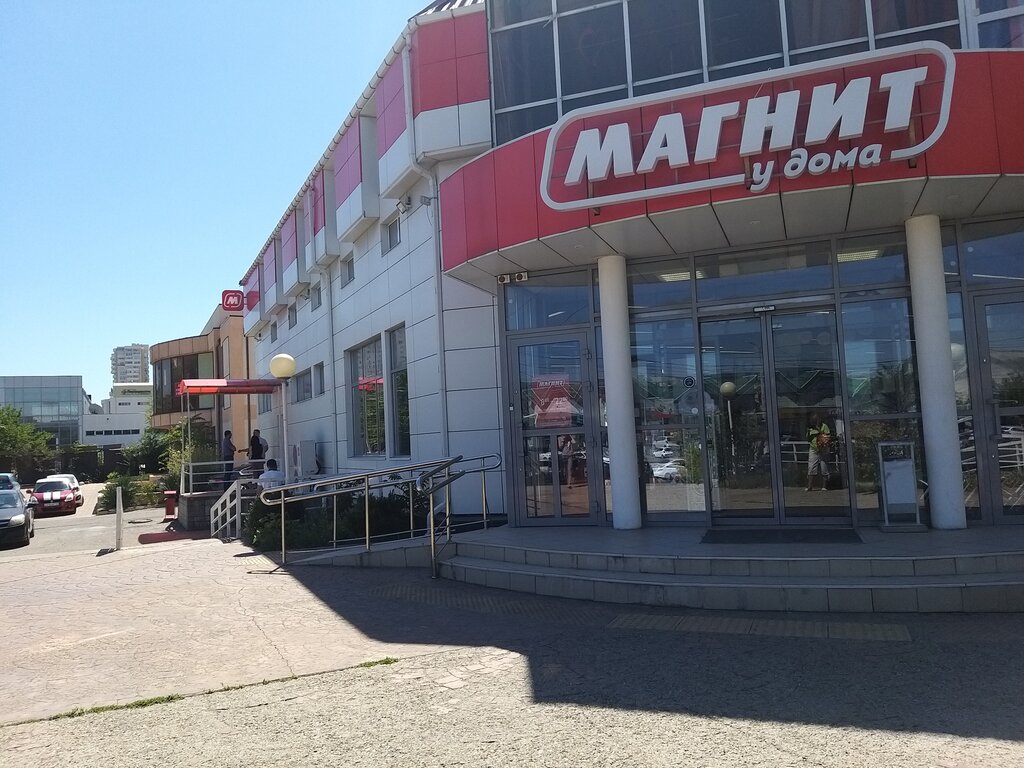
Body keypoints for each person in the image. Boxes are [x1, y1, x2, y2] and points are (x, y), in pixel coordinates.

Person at [805, 414, 831, 492]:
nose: (815, 422)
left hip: (823, 448)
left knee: (824, 467)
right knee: (811, 467)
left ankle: (824, 486)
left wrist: (818, 430)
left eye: (816, 420)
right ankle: (809, 486)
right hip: (813, 448)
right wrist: (809, 432)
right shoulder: (810, 428)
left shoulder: (824, 426)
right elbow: (808, 439)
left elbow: (827, 436)